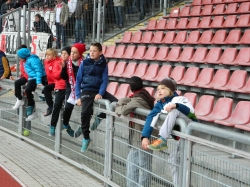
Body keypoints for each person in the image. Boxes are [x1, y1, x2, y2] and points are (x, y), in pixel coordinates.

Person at [75, 42, 118, 152]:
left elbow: (104, 80)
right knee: (85, 112)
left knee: (116, 103)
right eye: (91, 51)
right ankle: (86, 137)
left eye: (94, 51)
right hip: (87, 90)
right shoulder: (84, 63)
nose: (92, 52)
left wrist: (100, 93)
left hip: (98, 90)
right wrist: (78, 96)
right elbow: (78, 80)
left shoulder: (104, 64)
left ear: (100, 52)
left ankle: (99, 117)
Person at [115, 76, 155, 187]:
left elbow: (122, 111)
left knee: (144, 166)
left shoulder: (139, 99)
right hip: (138, 137)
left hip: (144, 137)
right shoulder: (142, 95)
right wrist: (122, 102)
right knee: (132, 163)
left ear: (131, 88)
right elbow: (126, 100)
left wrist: (118, 107)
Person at [141, 77, 197, 151]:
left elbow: (191, 113)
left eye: (163, 88)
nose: (159, 91)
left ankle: (162, 140)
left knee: (174, 110)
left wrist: (176, 105)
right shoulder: (159, 104)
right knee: (174, 159)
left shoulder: (179, 99)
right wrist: (145, 137)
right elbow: (151, 117)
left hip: (192, 130)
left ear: (169, 90)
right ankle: (162, 140)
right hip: (181, 134)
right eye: (158, 89)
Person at [60, 43, 86, 137]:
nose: (72, 54)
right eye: (71, 52)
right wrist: (63, 68)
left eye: (75, 53)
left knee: (85, 110)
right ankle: (66, 125)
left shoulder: (84, 63)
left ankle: (84, 128)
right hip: (70, 87)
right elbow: (64, 77)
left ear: (80, 54)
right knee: (67, 107)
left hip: (82, 88)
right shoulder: (67, 63)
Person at [14, 48, 47, 121]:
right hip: (32, 78)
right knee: (26, 88)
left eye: (20, 57)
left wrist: (39, 82)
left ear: (23, 56)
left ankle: (32, 105)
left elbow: (38, 71)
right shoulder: (26, 60)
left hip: (37, 78)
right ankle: (22, 100)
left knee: (28, 89)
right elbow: (29, 72)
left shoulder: (33, 60)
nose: (19, 58)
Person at [48, 47, 69, 136]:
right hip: (60, 87)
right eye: (62, 53)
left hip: (69, 88)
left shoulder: (71, 63)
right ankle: (52, 126)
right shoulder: (58, 63)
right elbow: (56, 76)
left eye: (65, 53)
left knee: (68, 107)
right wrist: (62, 68)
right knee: (57, 106)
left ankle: (66, 124)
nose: (63, 55)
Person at [43, 48, 60, 117]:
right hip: (50, 81)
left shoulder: (57, 62)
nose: (47, 56)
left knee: (46, 89)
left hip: (56, 82)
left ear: (54, 55)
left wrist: (56, 84)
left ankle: (50, 106)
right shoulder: (46, 62)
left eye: (49, 55)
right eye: (46, 55)